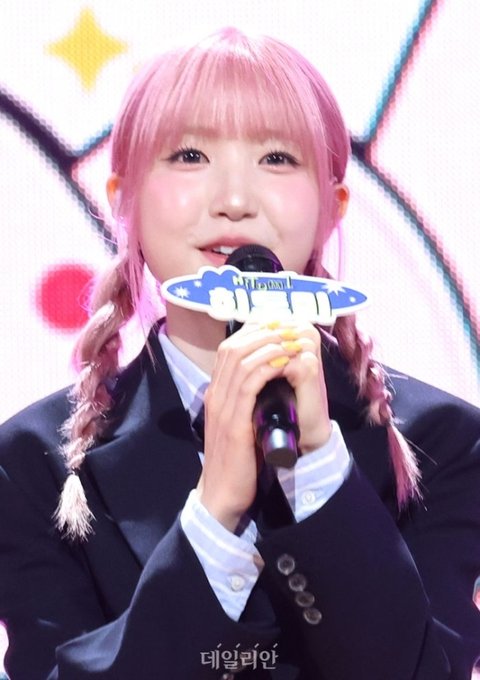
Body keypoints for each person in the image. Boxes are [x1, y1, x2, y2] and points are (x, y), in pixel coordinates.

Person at [0, 26, 479, 680]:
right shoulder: (32, 464)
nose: (233, 201)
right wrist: (211, 521)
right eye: (190, 155)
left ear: (333, 205)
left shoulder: (444, 443)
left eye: (276, 158)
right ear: (123, 200)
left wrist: (319, 472)